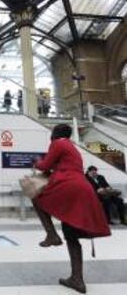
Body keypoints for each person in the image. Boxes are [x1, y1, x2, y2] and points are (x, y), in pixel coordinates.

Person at [33, 124, 110, 293]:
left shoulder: (58, 143)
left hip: (69, 186)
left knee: (35, 196)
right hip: (82, 188)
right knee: (71, 234)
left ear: (55, 133)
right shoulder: (72, 147)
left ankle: (51, 234)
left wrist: (36, 163)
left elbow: (45, 165)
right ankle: (77, 279)